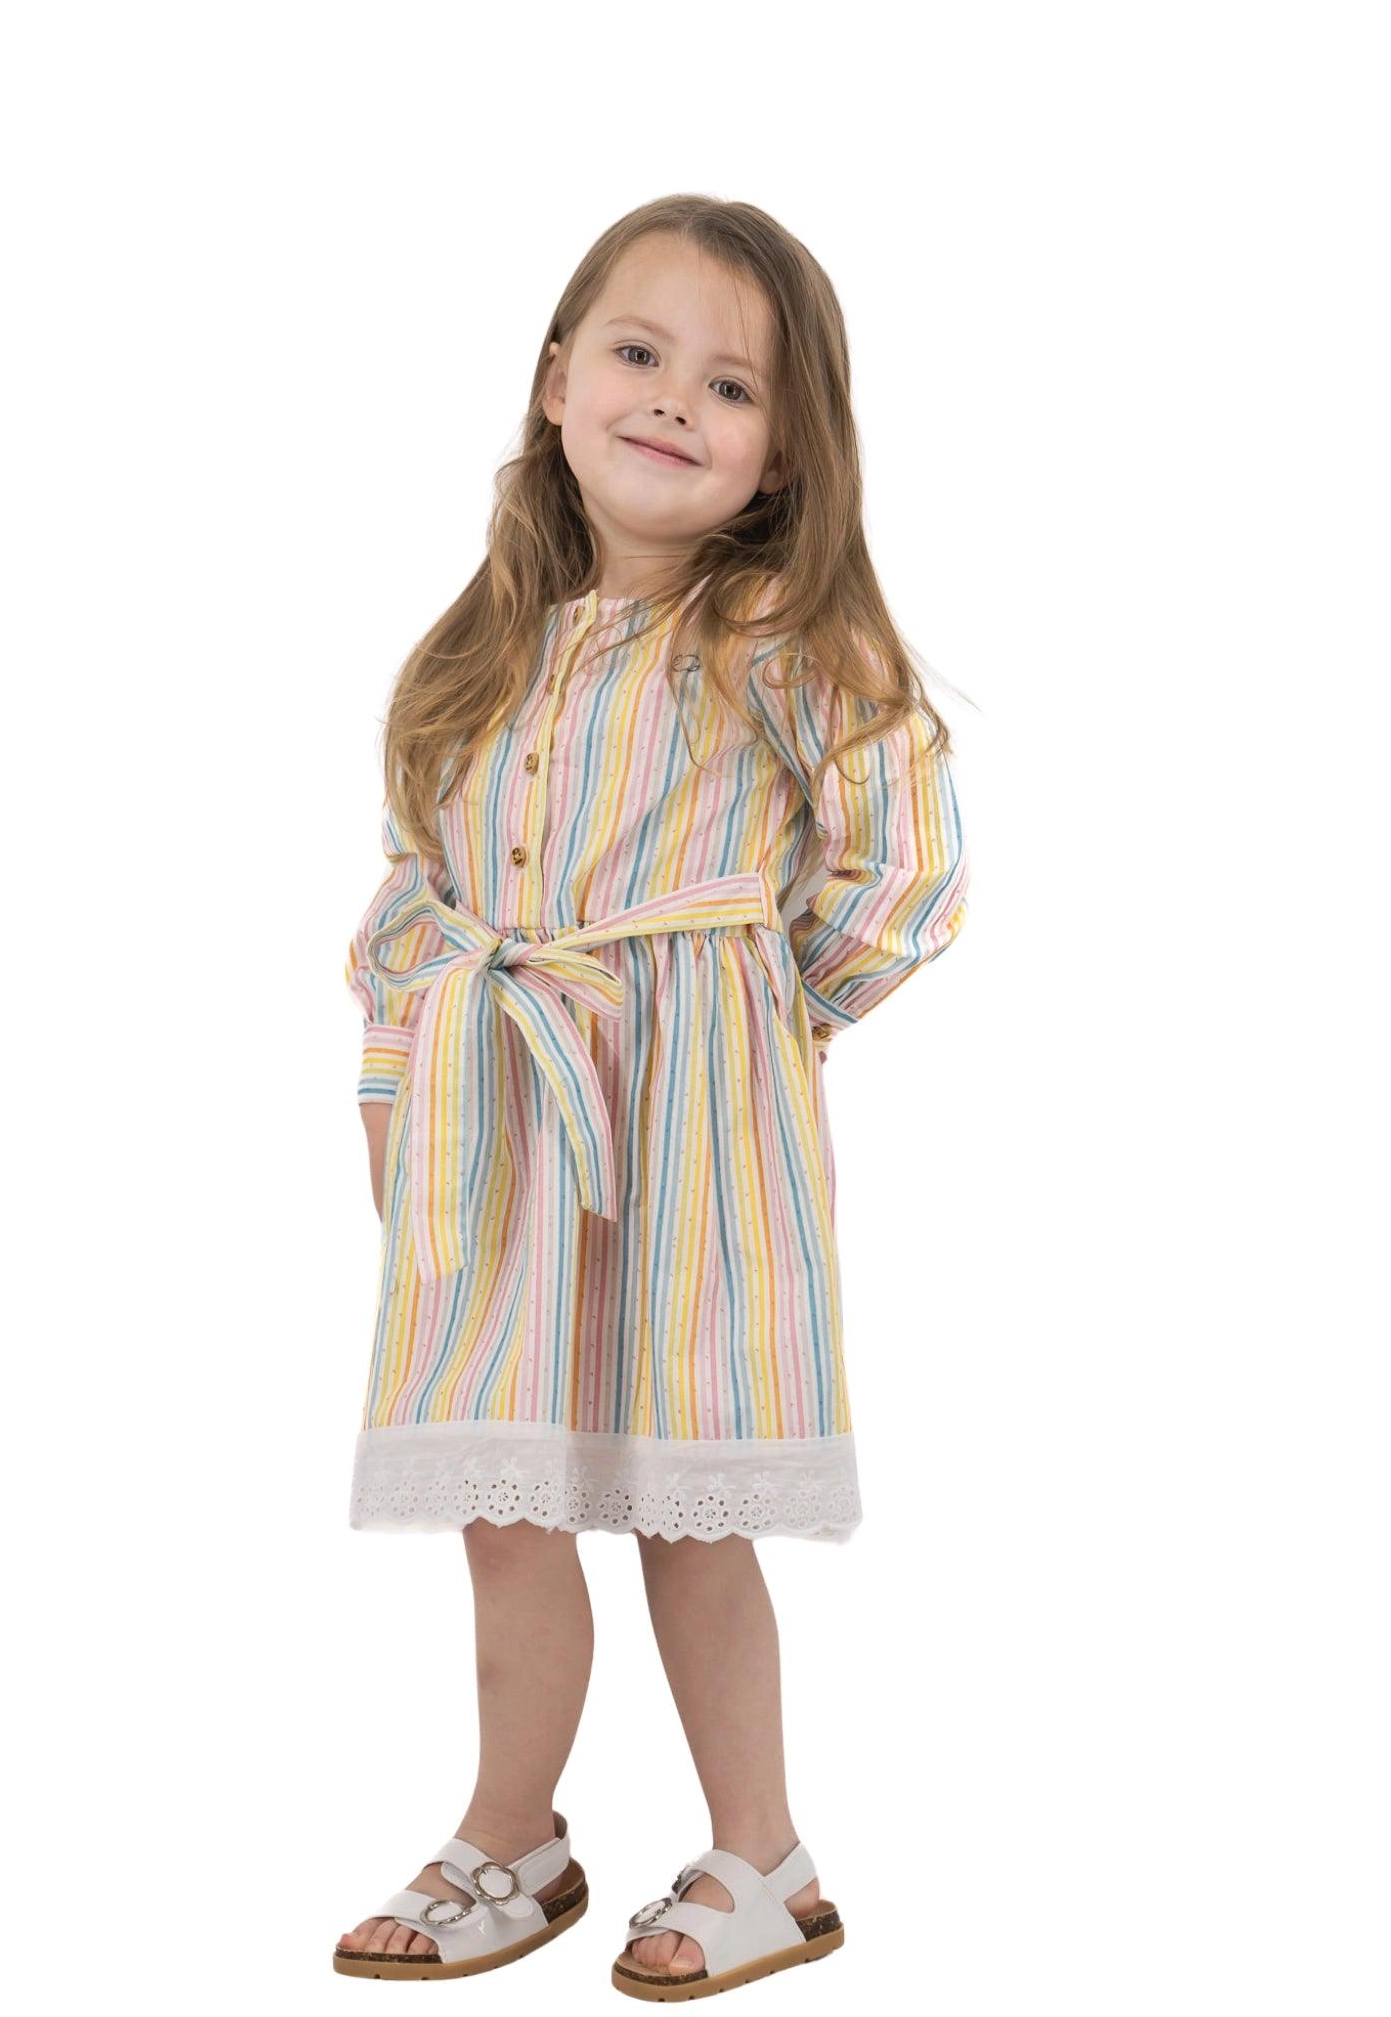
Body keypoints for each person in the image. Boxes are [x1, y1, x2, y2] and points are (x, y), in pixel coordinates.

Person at [332, 195, 970, 1997]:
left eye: (731, 383)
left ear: (781, 458)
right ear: (554, 383)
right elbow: (407, 913)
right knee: (507, 1504)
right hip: (493, 1136)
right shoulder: (473, 663)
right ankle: (512, 1835)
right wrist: (399, 1112)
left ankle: (761, 1856)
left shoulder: (778, 642)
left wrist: (767, 1022)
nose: (673, 398)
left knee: (686, 1508)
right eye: (636, 352)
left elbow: (906, 865)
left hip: (689, 1143)